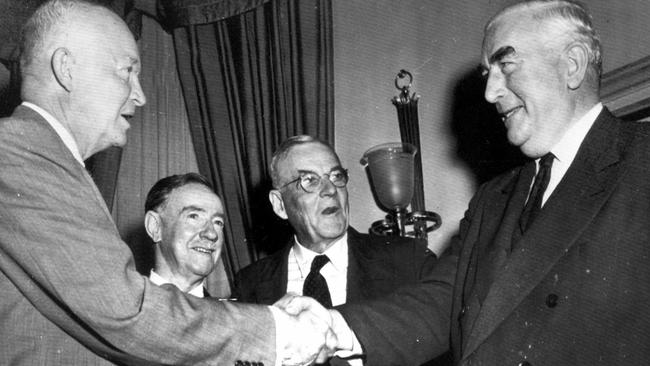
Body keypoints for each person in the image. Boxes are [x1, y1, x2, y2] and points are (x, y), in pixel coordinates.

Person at [283, 1, 650, 365]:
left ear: (572, 65)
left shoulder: (642, 162)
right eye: (487, 74)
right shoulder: (492, 199)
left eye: (505, 65)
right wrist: (331, 326)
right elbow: (442, 303)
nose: (490, 93)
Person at [0, 1, 334, 365]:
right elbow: (124, 310)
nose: (140, 95)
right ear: (67, 68)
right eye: (126, 71)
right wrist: (278, 330)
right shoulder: (19, 151)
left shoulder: (39, 156)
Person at [232, 135, 442, 365]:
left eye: (336, 176)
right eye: (309, 180)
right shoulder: (250, 284)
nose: (330, 189)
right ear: (280, 205)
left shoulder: (407, 259)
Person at [144, 173, 225, 297]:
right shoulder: (116, 309)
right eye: (193, 216)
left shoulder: (229, 315)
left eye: (218, 222)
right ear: (155, 227)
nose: (211, 234)